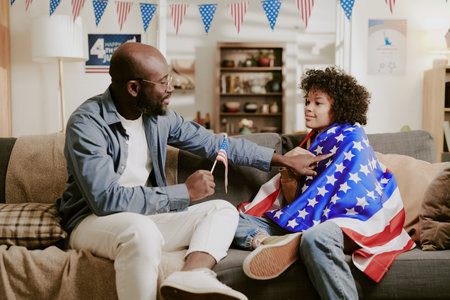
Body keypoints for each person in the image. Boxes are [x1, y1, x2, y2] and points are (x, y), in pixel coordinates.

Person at [56, 42, 331, 300]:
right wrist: (184, 192)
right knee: (140, 232)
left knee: (221, 210)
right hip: (92, 220)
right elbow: (105, 200)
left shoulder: (158, 117)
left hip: (145, 216)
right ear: (133, 87)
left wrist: (282, 160)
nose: (171, 87)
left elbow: (215, 144)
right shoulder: (87, 124)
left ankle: (191, 277)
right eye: (163, 82)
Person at [233, 67, 415, 300]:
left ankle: (295, 241)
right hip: (309, 219)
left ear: (338, 107)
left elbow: (358, 191)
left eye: (317, 103)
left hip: (350, 220)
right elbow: (300, 201)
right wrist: (288, 170)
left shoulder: (352, 137)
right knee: (232, 219)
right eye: (307, 101)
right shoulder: (311, 141)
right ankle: (269, 242)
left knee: (315, 237)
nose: (308, 108)